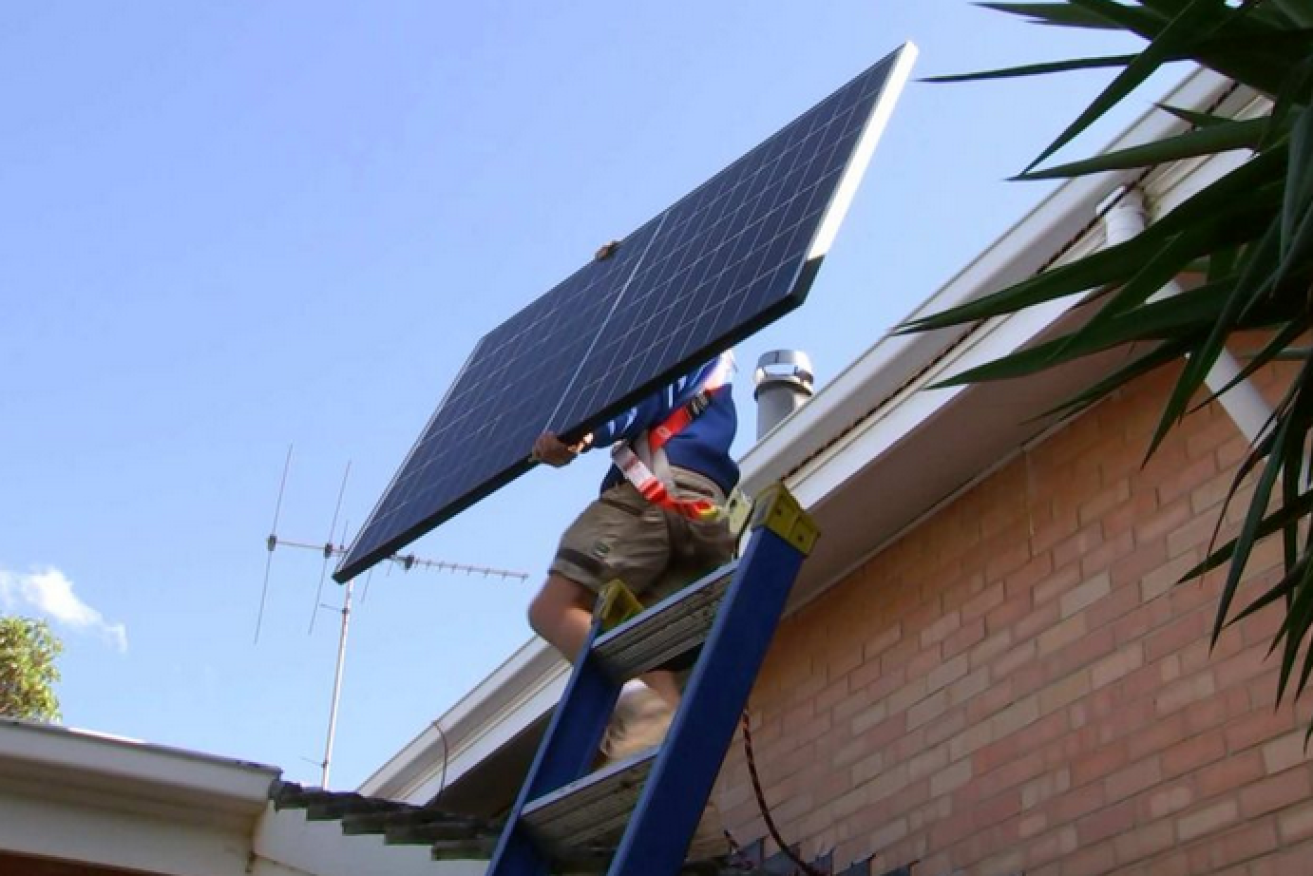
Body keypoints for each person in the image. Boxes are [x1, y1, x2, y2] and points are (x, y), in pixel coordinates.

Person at [527, 350, 739, 765]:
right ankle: (678, 782)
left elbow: (653, 389)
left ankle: (641, 719)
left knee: (553, 609)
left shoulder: (693, 327)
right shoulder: (719, 356)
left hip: (657, 493)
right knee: (647, 658)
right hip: (703, 516)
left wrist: (587, 428)